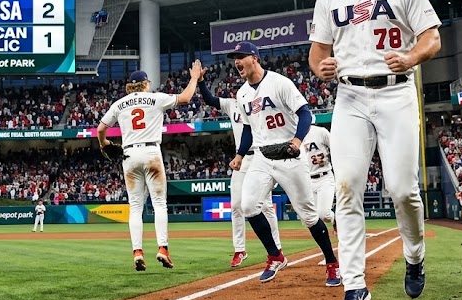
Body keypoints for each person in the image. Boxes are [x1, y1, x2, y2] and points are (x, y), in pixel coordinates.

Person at [309, 0, 441, 300]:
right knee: (346, 188)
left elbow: (432, 37)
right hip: (349, 97)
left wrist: (411, 56)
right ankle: (354, 285)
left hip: (396, 93)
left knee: (402, 189)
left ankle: (414, 256)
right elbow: (317, 53)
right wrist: (320, 69)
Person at [227, 41, 341, 287]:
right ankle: (275, 256)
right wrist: (239, 154)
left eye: (241, 56)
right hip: (262, 156)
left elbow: (305, 113)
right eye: (234, 58)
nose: (236, 61)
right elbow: (247, 128)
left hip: (289, 155)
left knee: (310, 216)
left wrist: (298, 140)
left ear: (255, 58)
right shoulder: (242, 93)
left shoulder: (279, 83)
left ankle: (332, 263)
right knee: (248, 206)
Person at [97, 61, 203, 271]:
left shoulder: (119, 104)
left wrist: (105, 144)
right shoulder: (156, 98)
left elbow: (101, 128)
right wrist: (194, 78)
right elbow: (185, 98)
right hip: (151, 151)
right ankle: (162, 249)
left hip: (129, 154)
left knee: (135, 207)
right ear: (146, 83)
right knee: (159, 204)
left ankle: (137, 252)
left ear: (129, 86)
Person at [198, 76, 281, 268]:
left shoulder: (260, 102)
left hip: (261, 156)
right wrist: (202, 81)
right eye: (236, 87)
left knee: (266, 206)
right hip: (242, 159)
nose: (238, 89)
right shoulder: (232, 104)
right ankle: (240, 249)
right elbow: (210, 100)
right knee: (236, 205)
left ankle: (276, 248)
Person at [305, 124, 337, 267]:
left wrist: (330, 157)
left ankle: (336, 218)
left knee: (323, 213)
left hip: (325, 176)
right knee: (313, 219)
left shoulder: (320, 132)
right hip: (307, 180)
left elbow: (336, 146)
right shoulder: (294, 135)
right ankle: (327, 254)